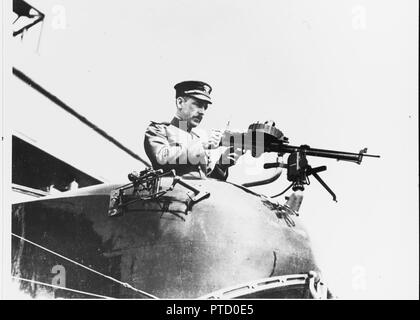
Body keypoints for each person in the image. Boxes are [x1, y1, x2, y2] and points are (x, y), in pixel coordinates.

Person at [144, 81, 242, 180]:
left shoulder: (196, 139)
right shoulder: (159, 130)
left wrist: (222, 165)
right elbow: (161, 159)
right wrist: (202, 146)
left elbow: (206, 183)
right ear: (180, 103)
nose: (202, 112)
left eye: (205, 107)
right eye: (198, 104)